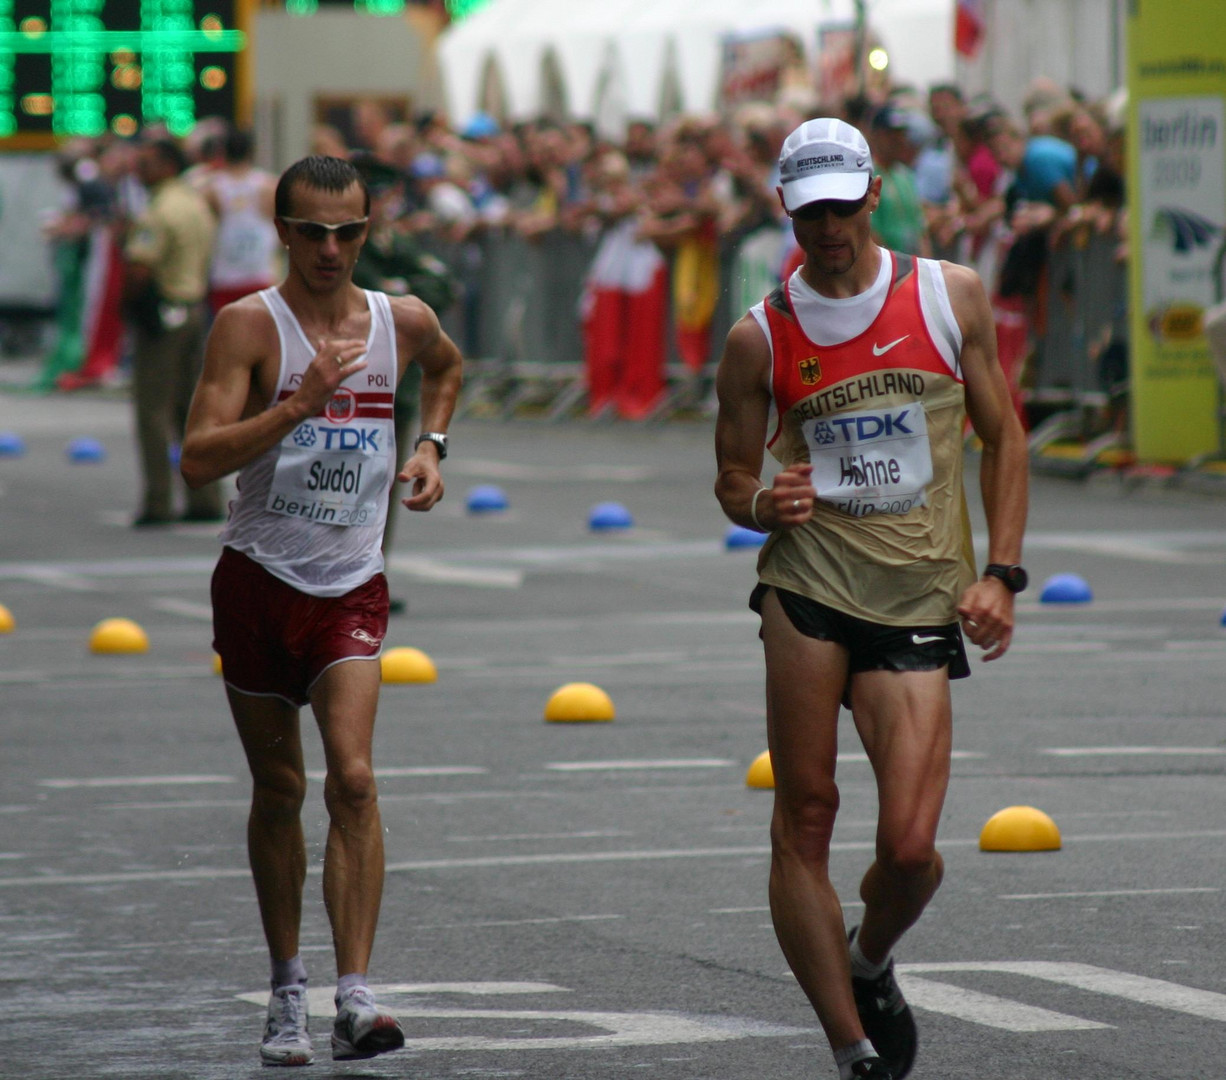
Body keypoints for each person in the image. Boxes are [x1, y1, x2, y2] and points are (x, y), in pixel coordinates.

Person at [713, 118, 1028, 1080]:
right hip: (808, 590)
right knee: (804, 816)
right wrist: (767, 502)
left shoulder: (947, 295)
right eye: (810, 213)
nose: (830, 229)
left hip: (920, 603)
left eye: (844, 207)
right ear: (786, 208)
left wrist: (1001, 575)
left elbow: (1006, 438)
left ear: (875, 192)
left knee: (911, 850)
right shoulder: (759, 336)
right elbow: (730, 478)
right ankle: (849, 1042)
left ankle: (870, 959)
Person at [179, 154, 463, 1066]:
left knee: (353, 780)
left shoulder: (400, 320)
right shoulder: (247, 327)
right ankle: (286, 988)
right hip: (260, 581)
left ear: (368, 232)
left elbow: (449, 368)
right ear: (284, 232)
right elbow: (197, 458)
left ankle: (355, 996)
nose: (332, 249)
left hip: (350, 582)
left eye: (350, 232)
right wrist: (299, 405)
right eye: (313, 232)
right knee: (281, 791)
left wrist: (430, 446)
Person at [122, 136, 222, 526]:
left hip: (162, 314)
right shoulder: (196, 204)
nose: (138, 171)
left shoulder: (157, 212)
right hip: (194, 309)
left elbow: (139, 268)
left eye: (145, 163)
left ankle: (158, 500)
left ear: (166, 164)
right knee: (191, 409)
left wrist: (129, 306)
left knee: (151, 410)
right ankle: (205, 497)